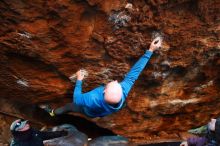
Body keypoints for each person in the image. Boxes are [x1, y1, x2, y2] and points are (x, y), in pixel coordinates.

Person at [42, 37, 162, 118]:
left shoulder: (91, 98)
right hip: (101, 112)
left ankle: (52, 113)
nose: (115, 80)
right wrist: (150, 50)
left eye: (111, 83)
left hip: (88, 111)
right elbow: (135, 72)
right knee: (118, 105)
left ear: (104, 90)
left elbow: (77, 99)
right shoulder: (124, 90)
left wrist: (79, 80)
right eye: (117, 83)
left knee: (68, 107)